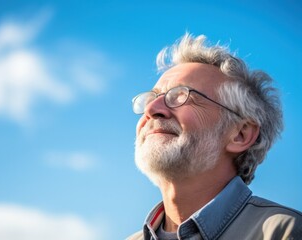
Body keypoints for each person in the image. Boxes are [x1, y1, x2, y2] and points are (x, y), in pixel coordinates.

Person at [127, 33, 302, 240]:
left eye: (181, 96)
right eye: (152, 97)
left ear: (240, 134)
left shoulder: (285, 231)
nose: (152, 108)